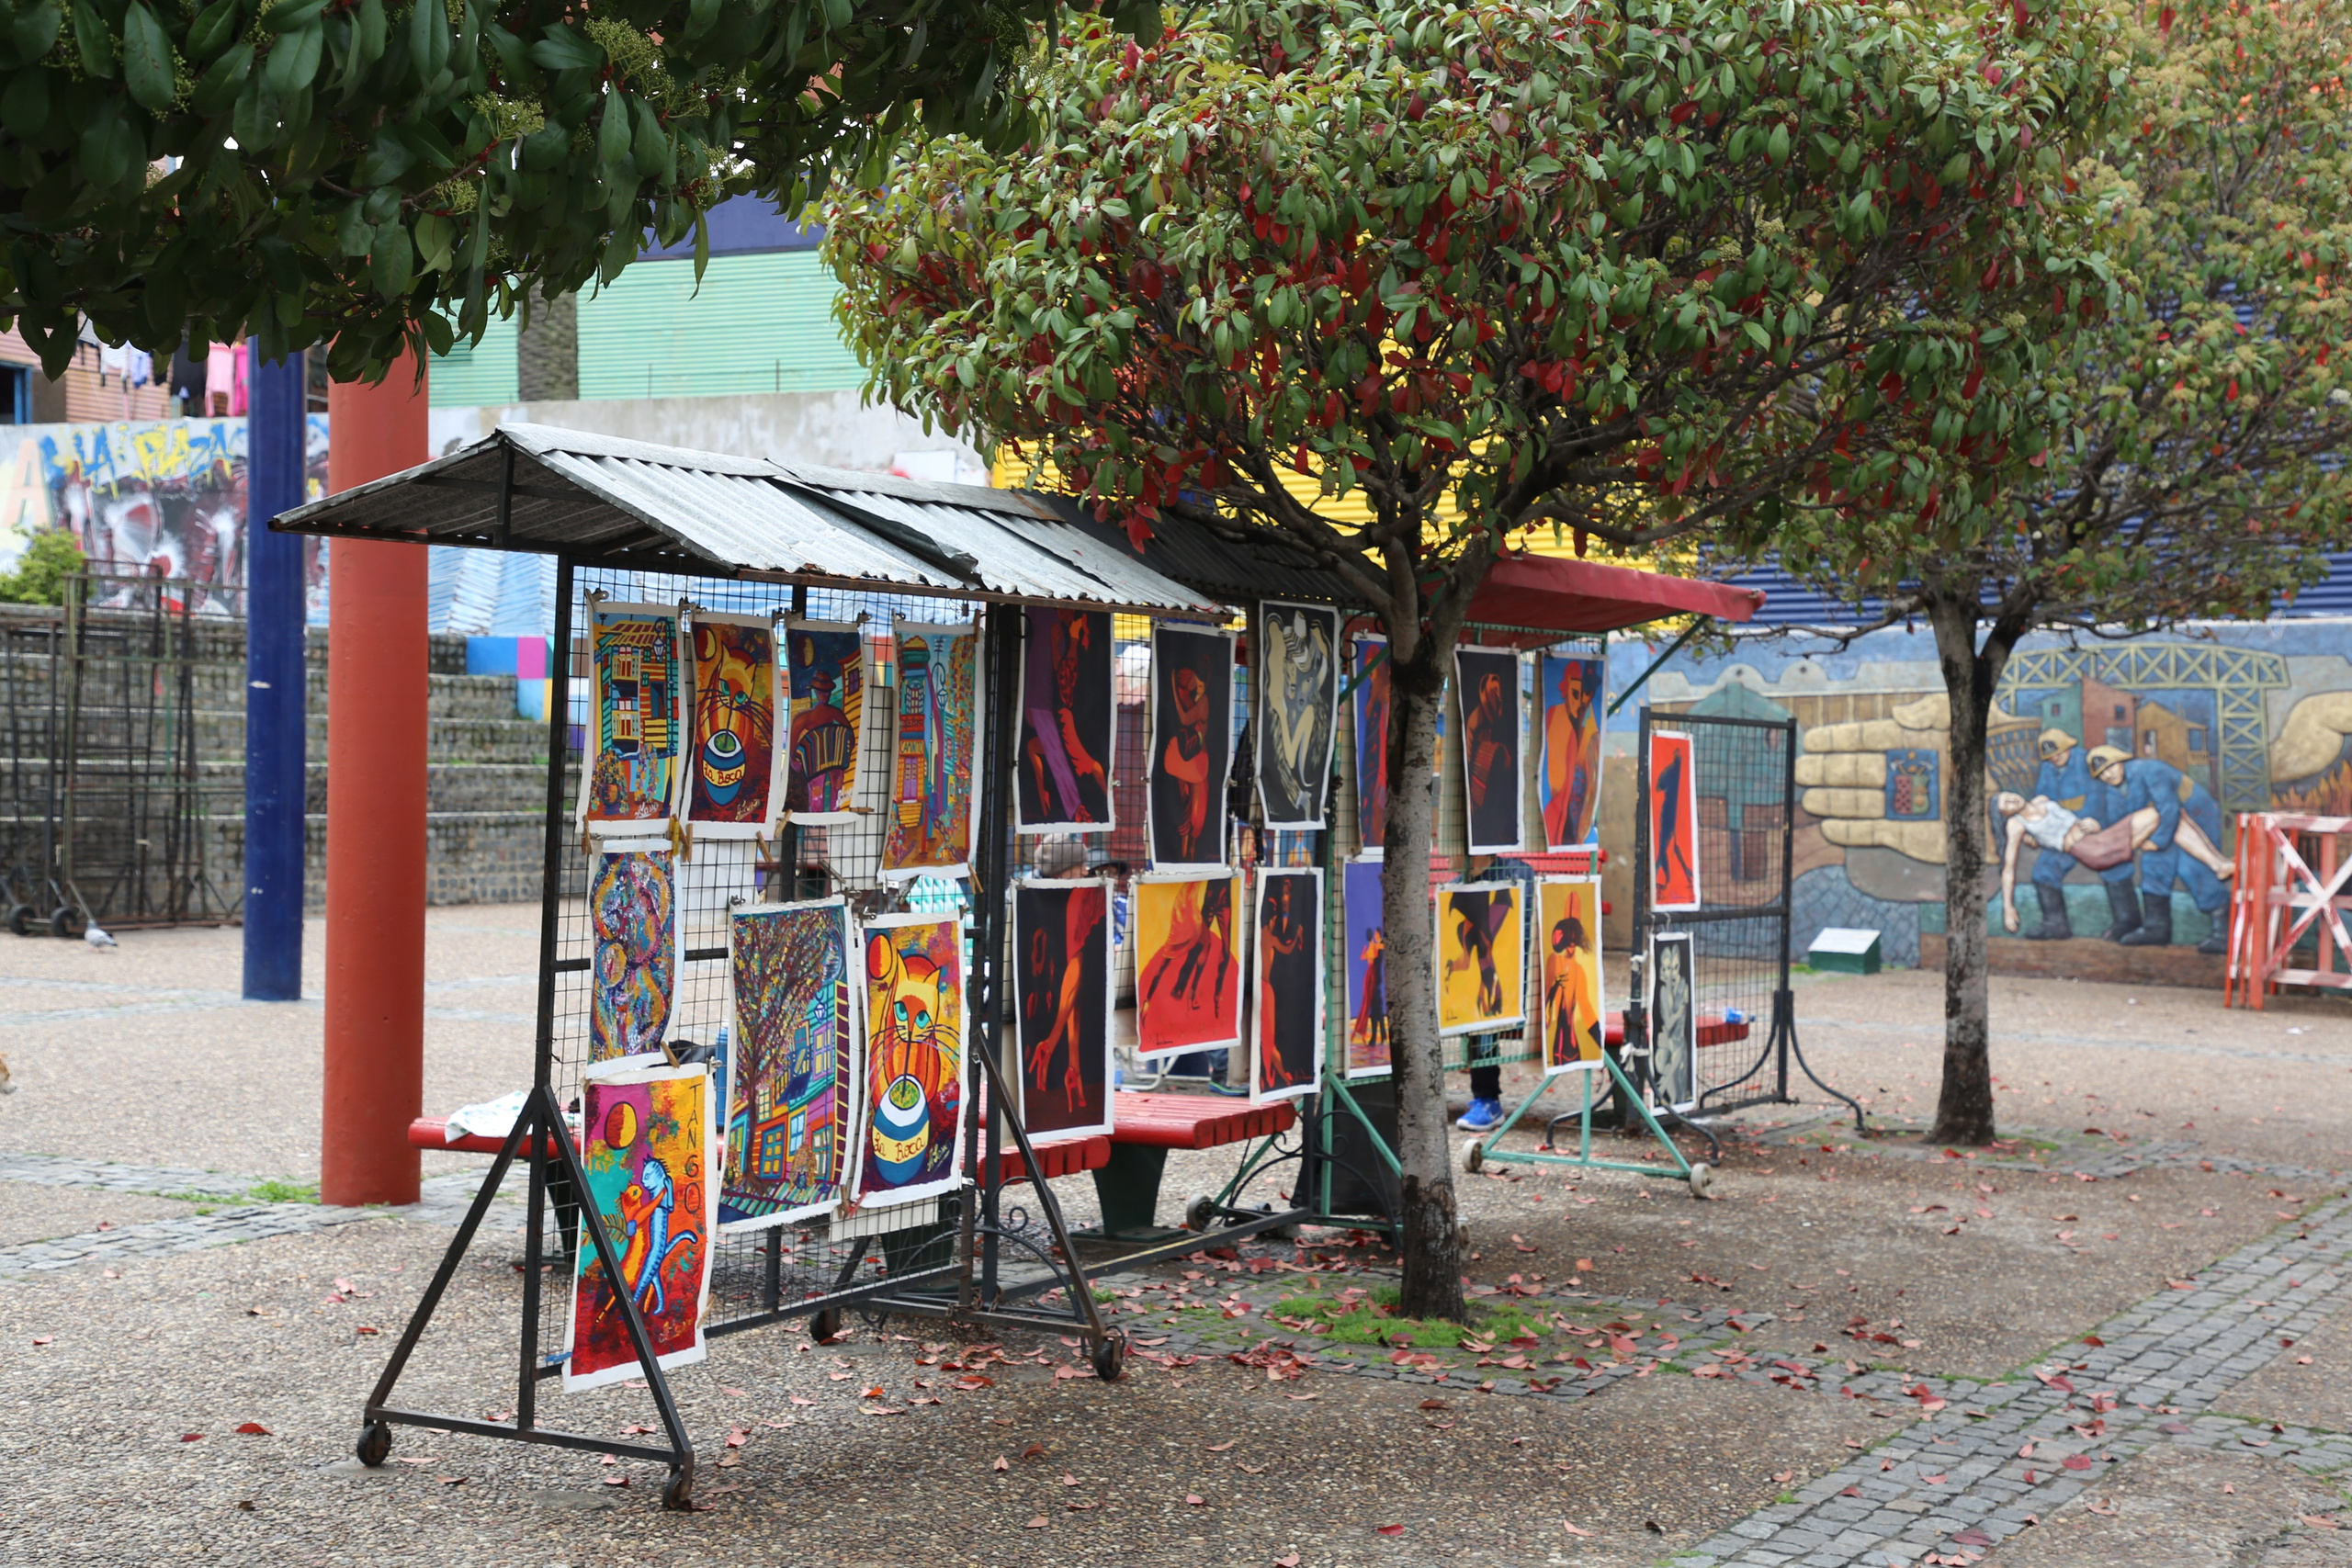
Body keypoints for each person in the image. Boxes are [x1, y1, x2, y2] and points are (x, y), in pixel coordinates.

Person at [1994, 786, 2231, 936]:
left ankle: (2217, 863)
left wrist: (2093, 823)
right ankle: (2216, 863)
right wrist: (2008, 908)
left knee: (2172, 815)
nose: (2010, 800)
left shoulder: (2043, 800)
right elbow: (2009, 869)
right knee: (2164, 815)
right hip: (2092, 851)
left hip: (2100, 837)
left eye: (2008, 795)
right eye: (2004, 803)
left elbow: (2079, 815)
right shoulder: (2016, 825)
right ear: (2003, 814)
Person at [2088, 746, 2233, 953]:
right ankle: (2156, 927)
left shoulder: (2149, 770)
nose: (2107, 775)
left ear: (2120, 761)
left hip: (2196, 817)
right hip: (2162, 824)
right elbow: (2119, 821)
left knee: (2191, 867)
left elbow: (2169, 807)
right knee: (2153, 864)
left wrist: (2158, 841)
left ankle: (2223, 933)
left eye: (2110, 767)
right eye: (2101, 773)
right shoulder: (2112, 791)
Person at [2019, 728, 2139, 942]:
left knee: (2114, 866)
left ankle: (2128, 923)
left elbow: (2107, 793)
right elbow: (2042, 801)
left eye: (2060, 753)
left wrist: (2098, 823)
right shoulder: (2047, 769)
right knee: (2044, 871)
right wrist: (2032, 831)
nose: (2056, 758)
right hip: (2062, 833)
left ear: (2069, 746)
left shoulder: (2088, 760)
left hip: (2094, 826)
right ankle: (2055, 925)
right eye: (2051, 756)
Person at [1543, 660, 1599, 849]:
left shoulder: (1586, 724)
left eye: (1583, 695)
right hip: (1559, 803)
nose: (1579, 702)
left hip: (1574, 805)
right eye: (1575, 694)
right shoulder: (1555, 715)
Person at [1544, 914, 1601, 1070]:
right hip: (1559, 1040)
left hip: (1568, 1041)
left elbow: (1586, 1008)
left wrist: (1600, 1042)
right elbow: (1546, 1005)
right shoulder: (1553, 962)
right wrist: (1555, 987)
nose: (1571, 948)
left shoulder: (1578, 971)